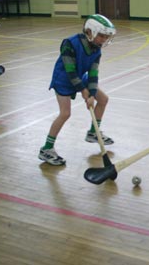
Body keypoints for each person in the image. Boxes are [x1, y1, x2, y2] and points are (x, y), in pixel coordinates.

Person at [39, 14, 116, 166]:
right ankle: (46, 149)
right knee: (65, 113)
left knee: (103, 99)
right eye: (101, 36)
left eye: (106, 37)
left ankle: (93, 132)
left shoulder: (96, 49)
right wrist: (83, 91)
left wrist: (92, 94)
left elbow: (93, 73)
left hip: (81, 77)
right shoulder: (70, 43)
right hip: (63, 79)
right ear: (89, 32)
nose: (103, 40)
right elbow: (70, 70)